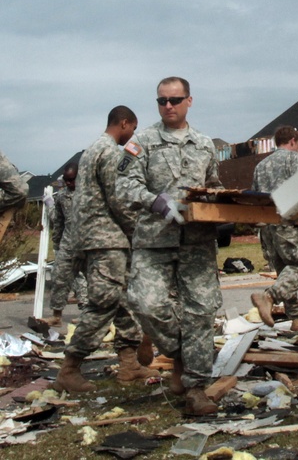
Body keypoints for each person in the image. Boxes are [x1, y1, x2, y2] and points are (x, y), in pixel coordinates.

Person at [117, 77, 223, 415]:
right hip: (154, 238)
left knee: (201, 312)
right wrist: (153, 201)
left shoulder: (205, 144)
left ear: (189, 101)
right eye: (162, 101)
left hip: (197, 242)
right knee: (144, 303)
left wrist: (220, 209)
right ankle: (179, 353)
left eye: (175, 100)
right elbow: (124, 185)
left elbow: (214, 185)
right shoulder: (142, 142)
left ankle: (196, 388)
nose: (168, 106)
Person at [53, 106, 158, 393]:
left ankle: (129, 363)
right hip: (106, 239)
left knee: (124, 301)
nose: (132, 135)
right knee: (104, 304)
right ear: (123, 123)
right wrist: (140, 230)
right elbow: (120, 199)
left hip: (92, 238)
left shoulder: (89, 151)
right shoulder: (112, 153)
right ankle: (70, 368)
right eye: (132, 129)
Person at [251, 125, 298, 332]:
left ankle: (297, 318)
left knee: (284, 272)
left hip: (267, 227)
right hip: (287, 223)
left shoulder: (260, 166)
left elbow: (254, 197)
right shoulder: (293, 159)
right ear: (293, 141)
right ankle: (268, 297)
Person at [40, 164, 88, 327]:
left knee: (92, 280)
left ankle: (87, 314)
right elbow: (58, 221)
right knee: (60, 277)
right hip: (68, 242)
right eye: (66, 181)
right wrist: (57, 242)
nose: (68, 183)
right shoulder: (62, 196)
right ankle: (56, 315)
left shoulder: (90, 193)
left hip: (89, 241)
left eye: (71, 180)